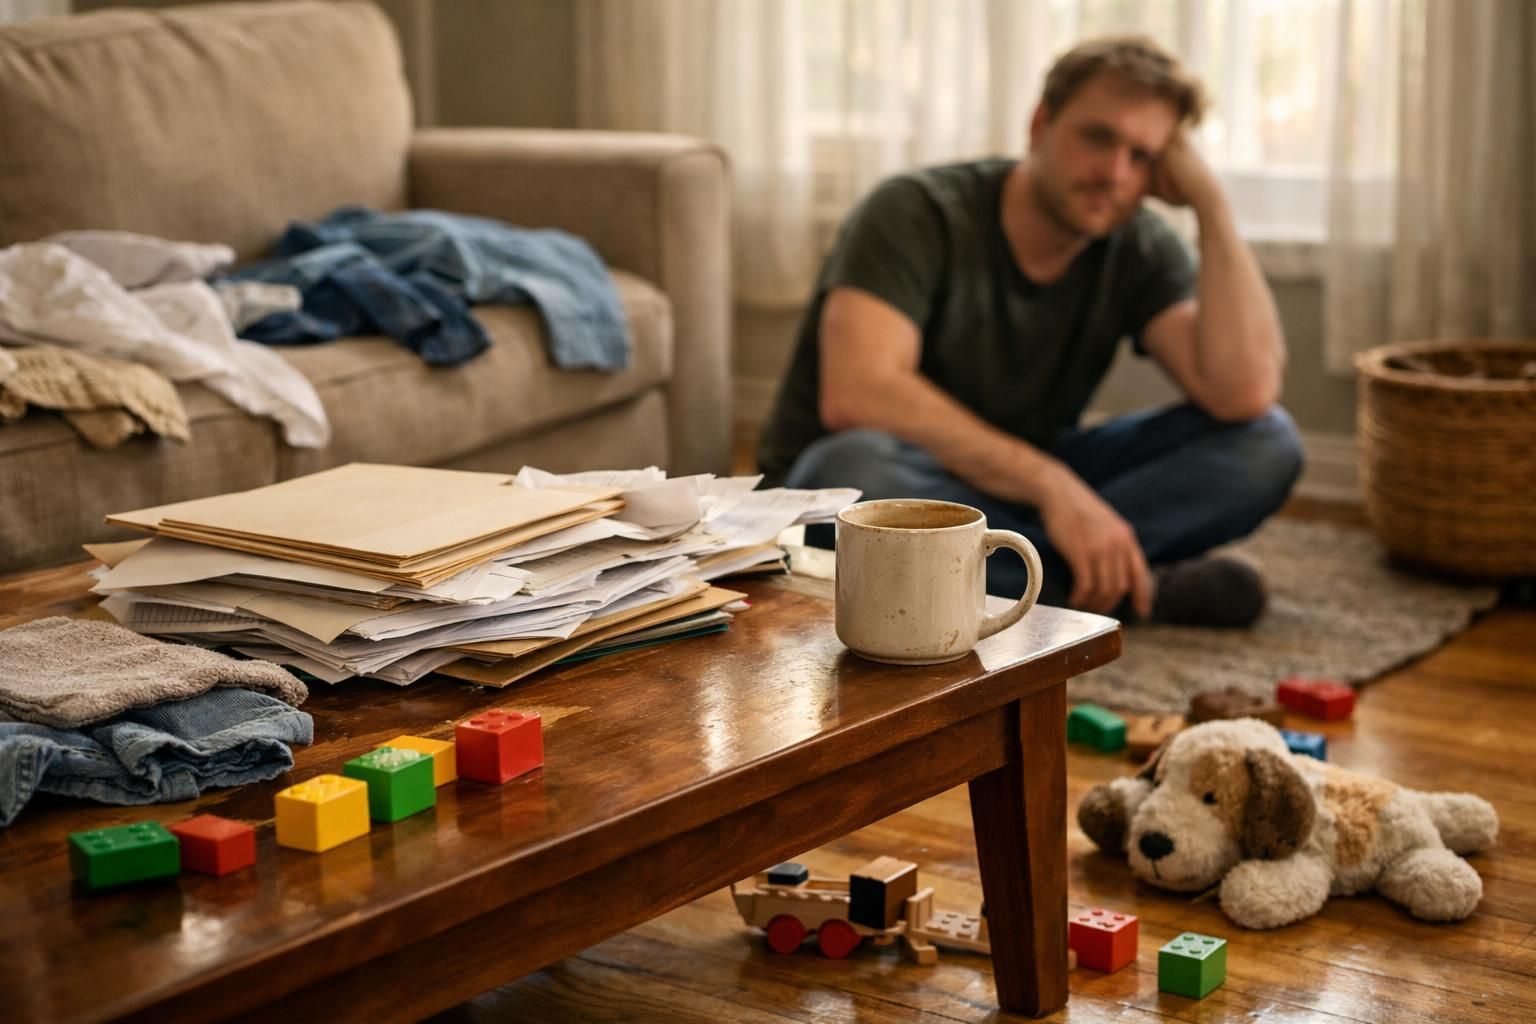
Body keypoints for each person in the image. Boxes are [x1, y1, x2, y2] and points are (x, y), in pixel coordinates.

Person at [757, 35, 1302, 626]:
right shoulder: (915, 210)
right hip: (879, 487)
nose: (1115, 173)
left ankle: (1033, 581)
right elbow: (859, 393)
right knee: (852, 470)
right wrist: (1053, 487)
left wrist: (1210, 204)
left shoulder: (1138, 243)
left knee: (1265, 443)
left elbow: (1242, 391)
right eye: (1098, 138)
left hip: (1015, 486)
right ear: (1041, 124)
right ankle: (1125, 588)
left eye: (1143, 157)